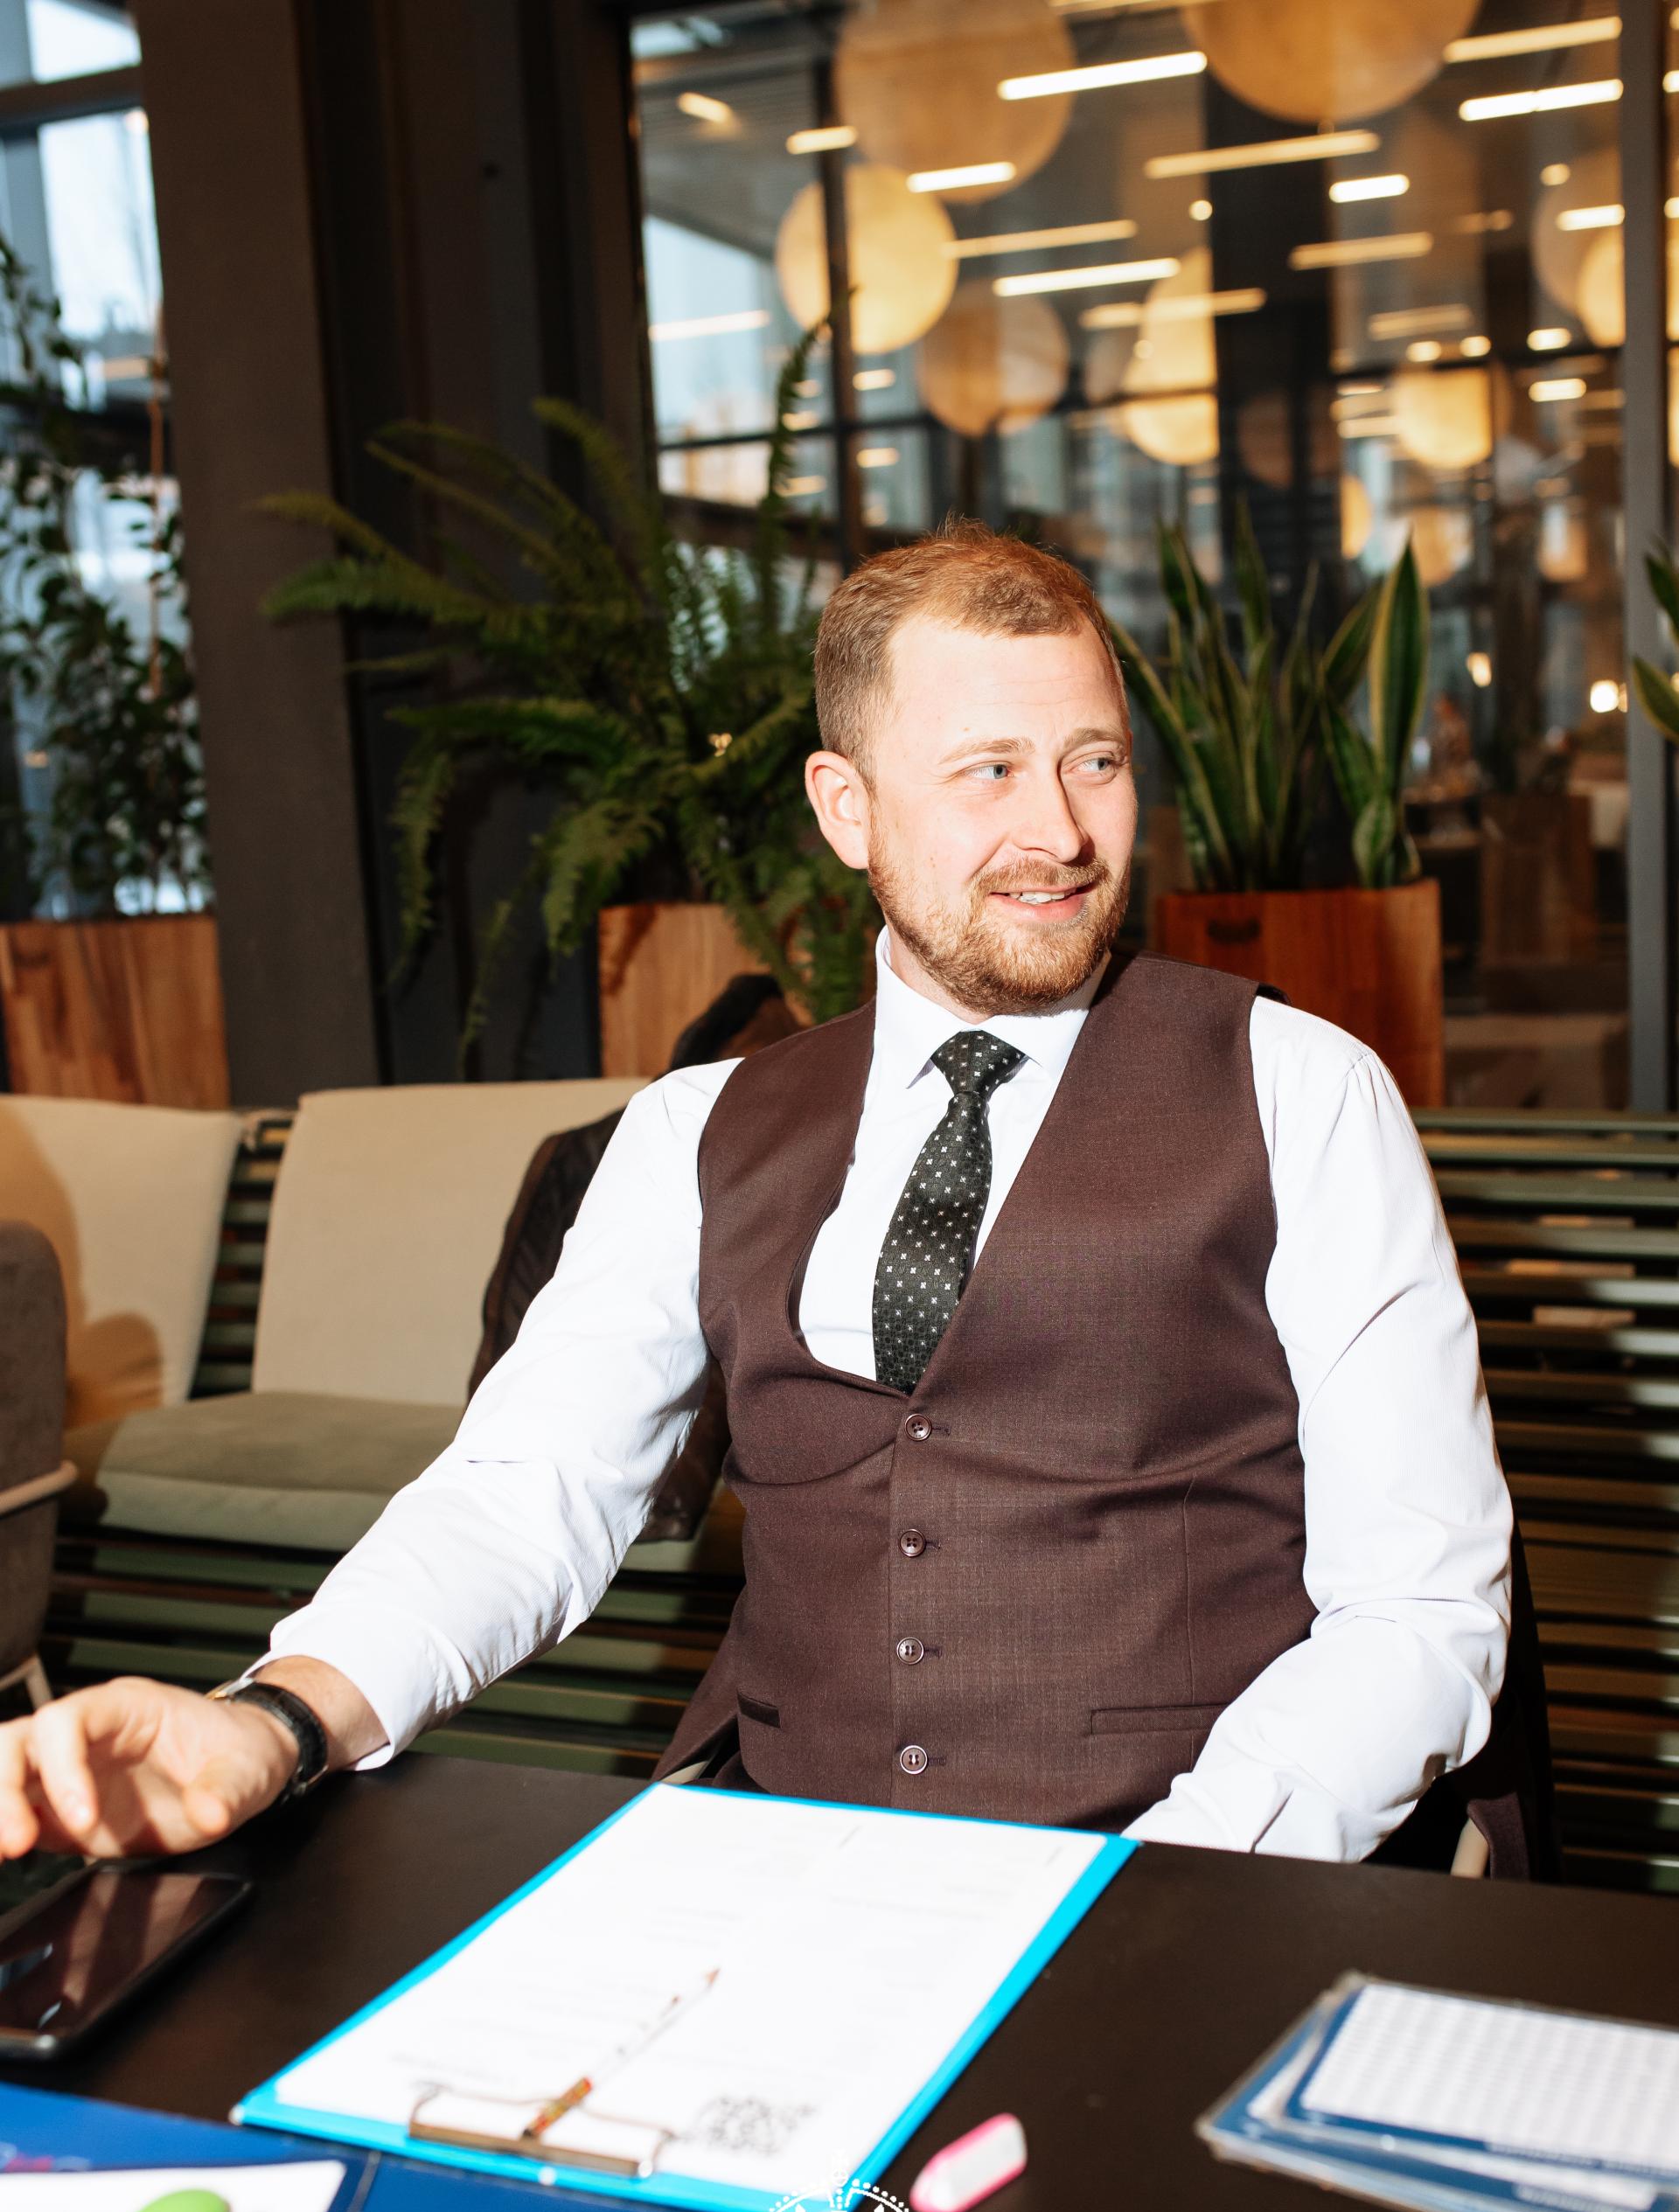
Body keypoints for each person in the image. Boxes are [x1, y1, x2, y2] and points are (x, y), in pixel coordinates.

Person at [0, 522, 1513, 1869]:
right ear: (846, 808)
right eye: (987, 770)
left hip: (1190, 1871)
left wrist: (1156, 1885)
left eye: (1095, 762)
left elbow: (1420, 1605)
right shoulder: (697, 1129)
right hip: (784, 1865)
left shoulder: (1300, 1091)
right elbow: (528, 1492)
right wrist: (273, 1720)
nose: (1058, 831)